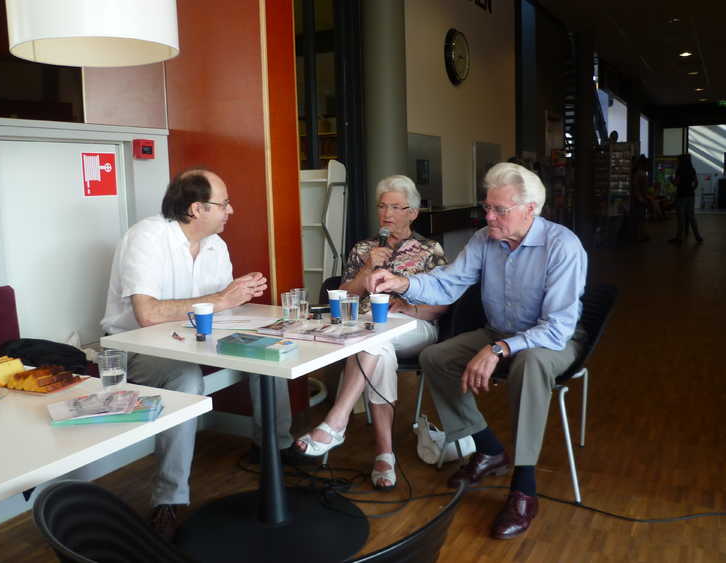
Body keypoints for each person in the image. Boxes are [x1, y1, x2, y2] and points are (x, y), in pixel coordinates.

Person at [368, 162, 587, 539]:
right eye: (486, 207)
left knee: (530, 364)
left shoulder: (562, 245)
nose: (489, 217)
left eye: (499, 210)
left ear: (531, 208)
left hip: (553, 339)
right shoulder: (486, 238)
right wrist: (402, 281)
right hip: (499, 330)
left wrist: (500, 349)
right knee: (435, 357)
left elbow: (558, 328)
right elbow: (448, 283)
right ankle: (488, 448)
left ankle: (524, 486)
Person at [101, 169, 292, 539]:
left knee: (266, 352)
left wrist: (237, 298)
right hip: (136, 345)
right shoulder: (147, 237)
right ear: (196, 209)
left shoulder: (216, 245)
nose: (231, 211)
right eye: (224, 204)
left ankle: (275, 451)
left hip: (193, 338)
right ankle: (169, 501)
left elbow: (223, 310)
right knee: (185, 378)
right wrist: (223, 299)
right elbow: (148, 314)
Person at [293, 175, 448, 489]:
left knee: (375, 339)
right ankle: (385, 454)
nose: (386, 213)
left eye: (395, 207)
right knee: (380, 347)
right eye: (382, 206)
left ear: (412, 213)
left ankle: (337, 420)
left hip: (416, 327)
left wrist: (407, 308)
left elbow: (442, 305)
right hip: (368, 331)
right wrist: (365, 271)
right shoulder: (363, 248)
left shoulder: (429, 249)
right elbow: (340, 297)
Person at [668, 153, 703, 244]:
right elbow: (696, 183)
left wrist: (670, 179)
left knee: (681, 217)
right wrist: (691, 189)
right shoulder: (692, 170)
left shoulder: (679, 170)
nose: (677, 162)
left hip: (681, 196)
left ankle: (679, 238)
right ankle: (697, 236)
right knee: (691, 216)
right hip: (691, 195)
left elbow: (676, 183)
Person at [630, 155, 651, 242]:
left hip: (640, 199)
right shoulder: (640, 174)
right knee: (639, 219)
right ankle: (639, 236)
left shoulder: (638, 173)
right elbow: (636, 188)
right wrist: (641, 199)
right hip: (639, 199)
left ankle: (640, 236)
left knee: (640, 218)